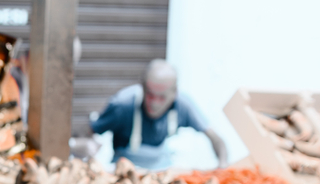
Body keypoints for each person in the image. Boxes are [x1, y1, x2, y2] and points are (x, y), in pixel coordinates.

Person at [90, 59, 227, 170]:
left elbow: (216, 139)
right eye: (150, 95)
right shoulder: (122, 105)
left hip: (163, 170)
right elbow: (89, 132)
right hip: (124, 173)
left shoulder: (183, 106)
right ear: (142, 87)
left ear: (174, 93)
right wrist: (90, 148)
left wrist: (222, 164)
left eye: (161, 97)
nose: (154, 103)